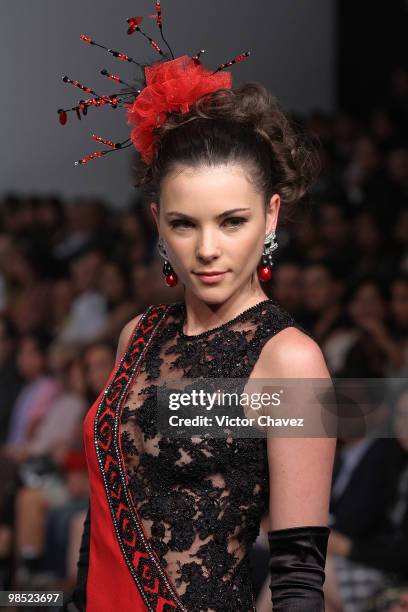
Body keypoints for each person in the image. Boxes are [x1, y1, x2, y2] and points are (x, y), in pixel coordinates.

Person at [60, 14, 336, 612]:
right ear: (158, 222)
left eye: (232, 221)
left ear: (271, 216)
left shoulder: (290, 361)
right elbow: (102, 518)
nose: (207, 249)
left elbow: (295, 582)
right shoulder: (139, 335)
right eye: (185, 224)